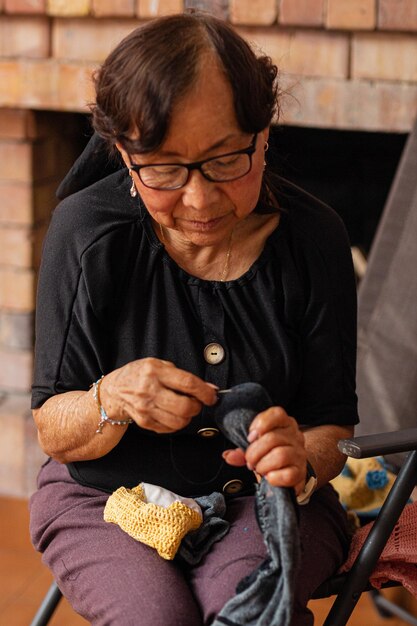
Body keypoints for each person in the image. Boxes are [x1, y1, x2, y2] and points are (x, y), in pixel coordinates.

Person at [29, 11, 359, 626]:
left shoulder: (315, 239)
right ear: (124, 155)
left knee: (248, 612)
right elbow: (53, 428)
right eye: (164, 169)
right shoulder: (86, 235)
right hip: (106, 500)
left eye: (227, 159)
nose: (201, 199)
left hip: (263, 504)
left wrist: (301, 456)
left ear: (264, 134)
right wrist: (111, 399)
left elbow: (333, 426)